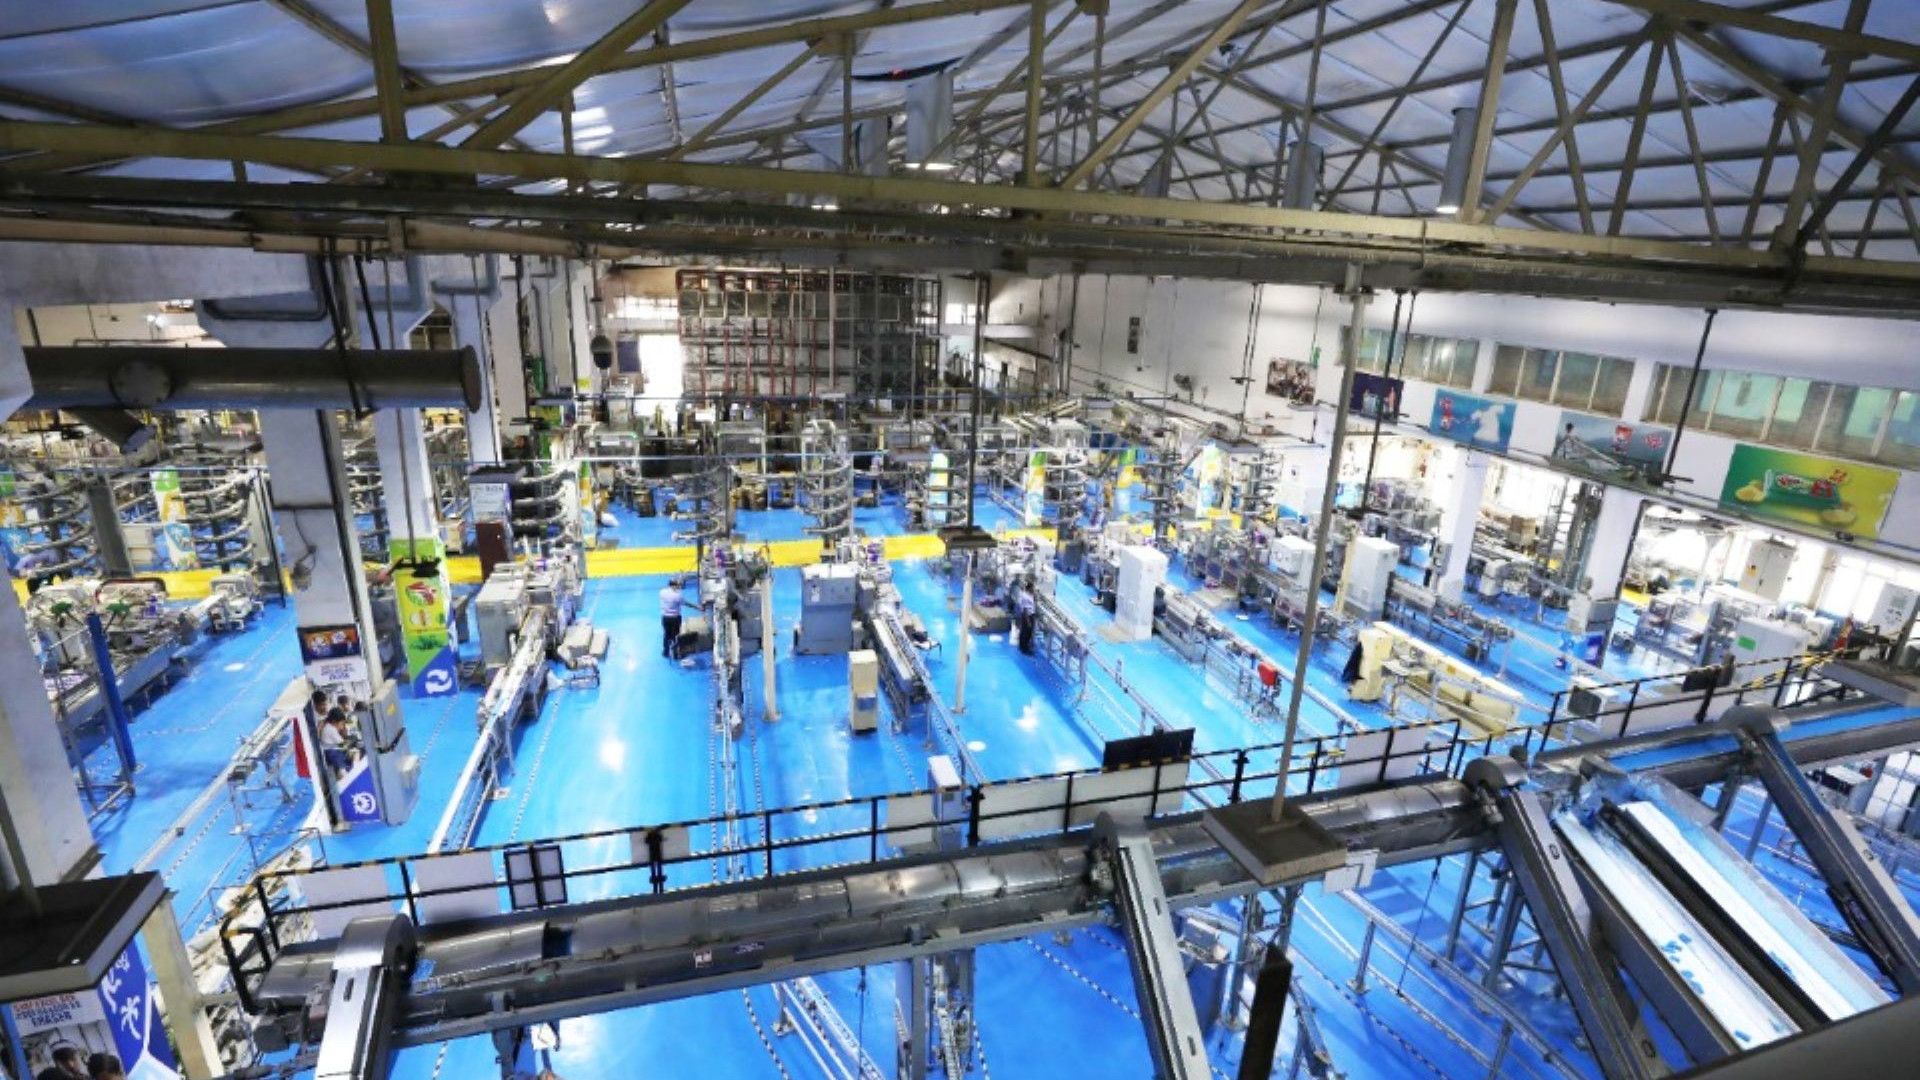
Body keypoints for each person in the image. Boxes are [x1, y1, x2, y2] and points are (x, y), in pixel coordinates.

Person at [320, 706, 352, 776]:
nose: (342, 726)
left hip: (332, 752)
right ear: (334, 722)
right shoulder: (331, 729)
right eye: (341, 723)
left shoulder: (328, 726)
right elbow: (343, 744)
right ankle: (343, 771)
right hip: (333, 754)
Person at [659, 577, 685, 660]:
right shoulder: (677, 595)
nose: (679, 587)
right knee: (676, 635)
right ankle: (676, 653)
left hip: (665, 618)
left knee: (666, 634)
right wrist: (697, 607)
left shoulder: (662, 592)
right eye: (677, 585)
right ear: (674, 585)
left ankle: (666, 652)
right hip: (675, 618)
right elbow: (684, 603)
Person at [1013, 580, 1037, 656]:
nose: (1034, 589)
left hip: (1029, 615)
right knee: (1026, 633)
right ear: (1030, 588)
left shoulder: (1027, 594)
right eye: (1033, 588)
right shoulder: (1026, 597)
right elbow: (1025, 609)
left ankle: (1022, 646)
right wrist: (1028, 621)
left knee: (1024, 632)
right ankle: (1024, 648)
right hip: (1027, 616)